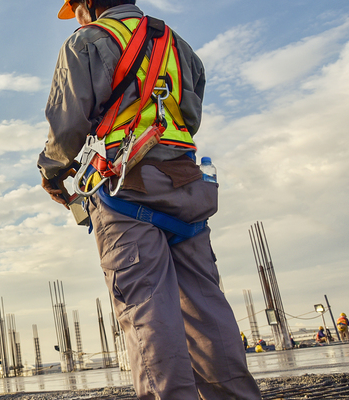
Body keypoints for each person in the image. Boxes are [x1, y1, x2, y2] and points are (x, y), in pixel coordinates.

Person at [37, 0, 261, 398]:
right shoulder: (179, 45)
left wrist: (52, 171)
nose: (76, 17)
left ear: (88, 4)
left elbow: (67, 125)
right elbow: (189, 116)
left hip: (125, 190)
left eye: (76, 9)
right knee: (208, 310)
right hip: (186, 186)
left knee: (148, 314)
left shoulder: (87, 41)